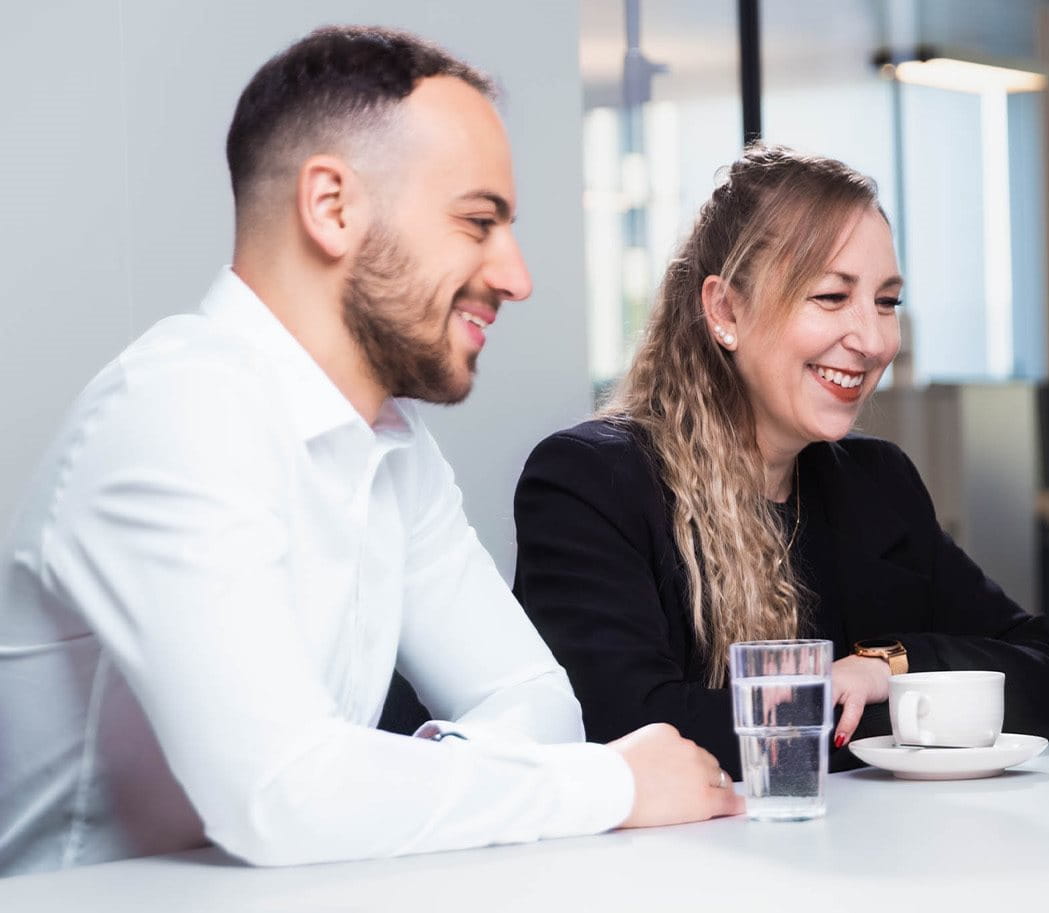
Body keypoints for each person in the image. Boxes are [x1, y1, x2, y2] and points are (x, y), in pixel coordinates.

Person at [0, 26, 738, 877]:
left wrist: (388, 780)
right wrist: (610, 783)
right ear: (332, 207)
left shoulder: (394, 444)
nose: (517, 276)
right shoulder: (175, 410)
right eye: (478, 222)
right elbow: (282, 795)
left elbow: (536, 701)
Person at [509, 145, 1049, 774]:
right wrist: (888, 711)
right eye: (831, 296)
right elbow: (633, 733)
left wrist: (888, 666)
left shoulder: (876, 483)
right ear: (726, 311)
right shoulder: (591, 483)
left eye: (887, 302)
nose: (873, 340)